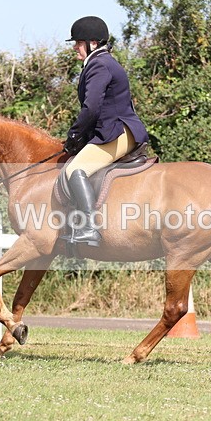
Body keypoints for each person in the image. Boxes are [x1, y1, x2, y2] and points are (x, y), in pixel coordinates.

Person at [61, 16, 150, 247]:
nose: (75, 47)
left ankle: (89, 228)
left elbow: (91, 107)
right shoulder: (103, 62)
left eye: (78, 42)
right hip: (118, 129)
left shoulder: (99, 64)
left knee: (75, 169)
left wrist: (74, 134)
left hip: (116, 132)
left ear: (93, 43)